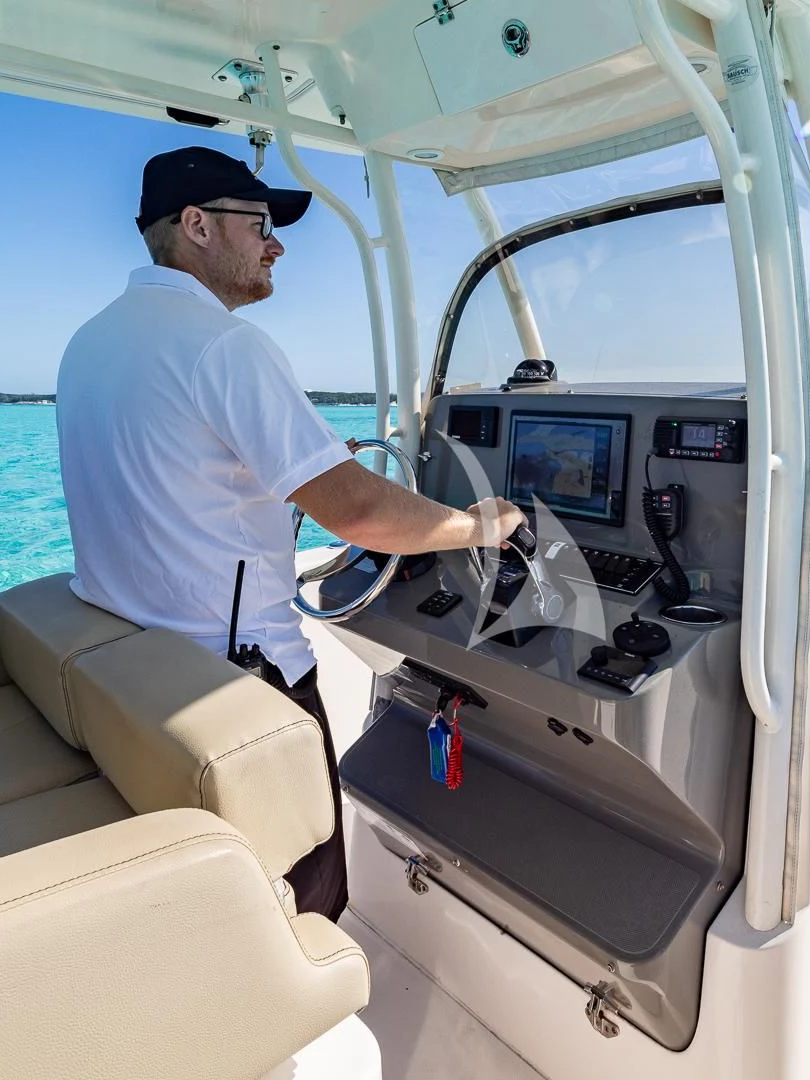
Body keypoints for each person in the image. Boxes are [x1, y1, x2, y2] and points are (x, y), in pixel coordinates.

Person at [55, 146, 524, 922]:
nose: (276, 245)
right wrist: (477, 525)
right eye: (261, 224)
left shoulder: (91, 342)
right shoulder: (223, 345)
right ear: (198, 226)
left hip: (138, 673)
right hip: (238, 683)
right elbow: (361, 514)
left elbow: (174, 484)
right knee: (305, 895)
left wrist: (290, 481)